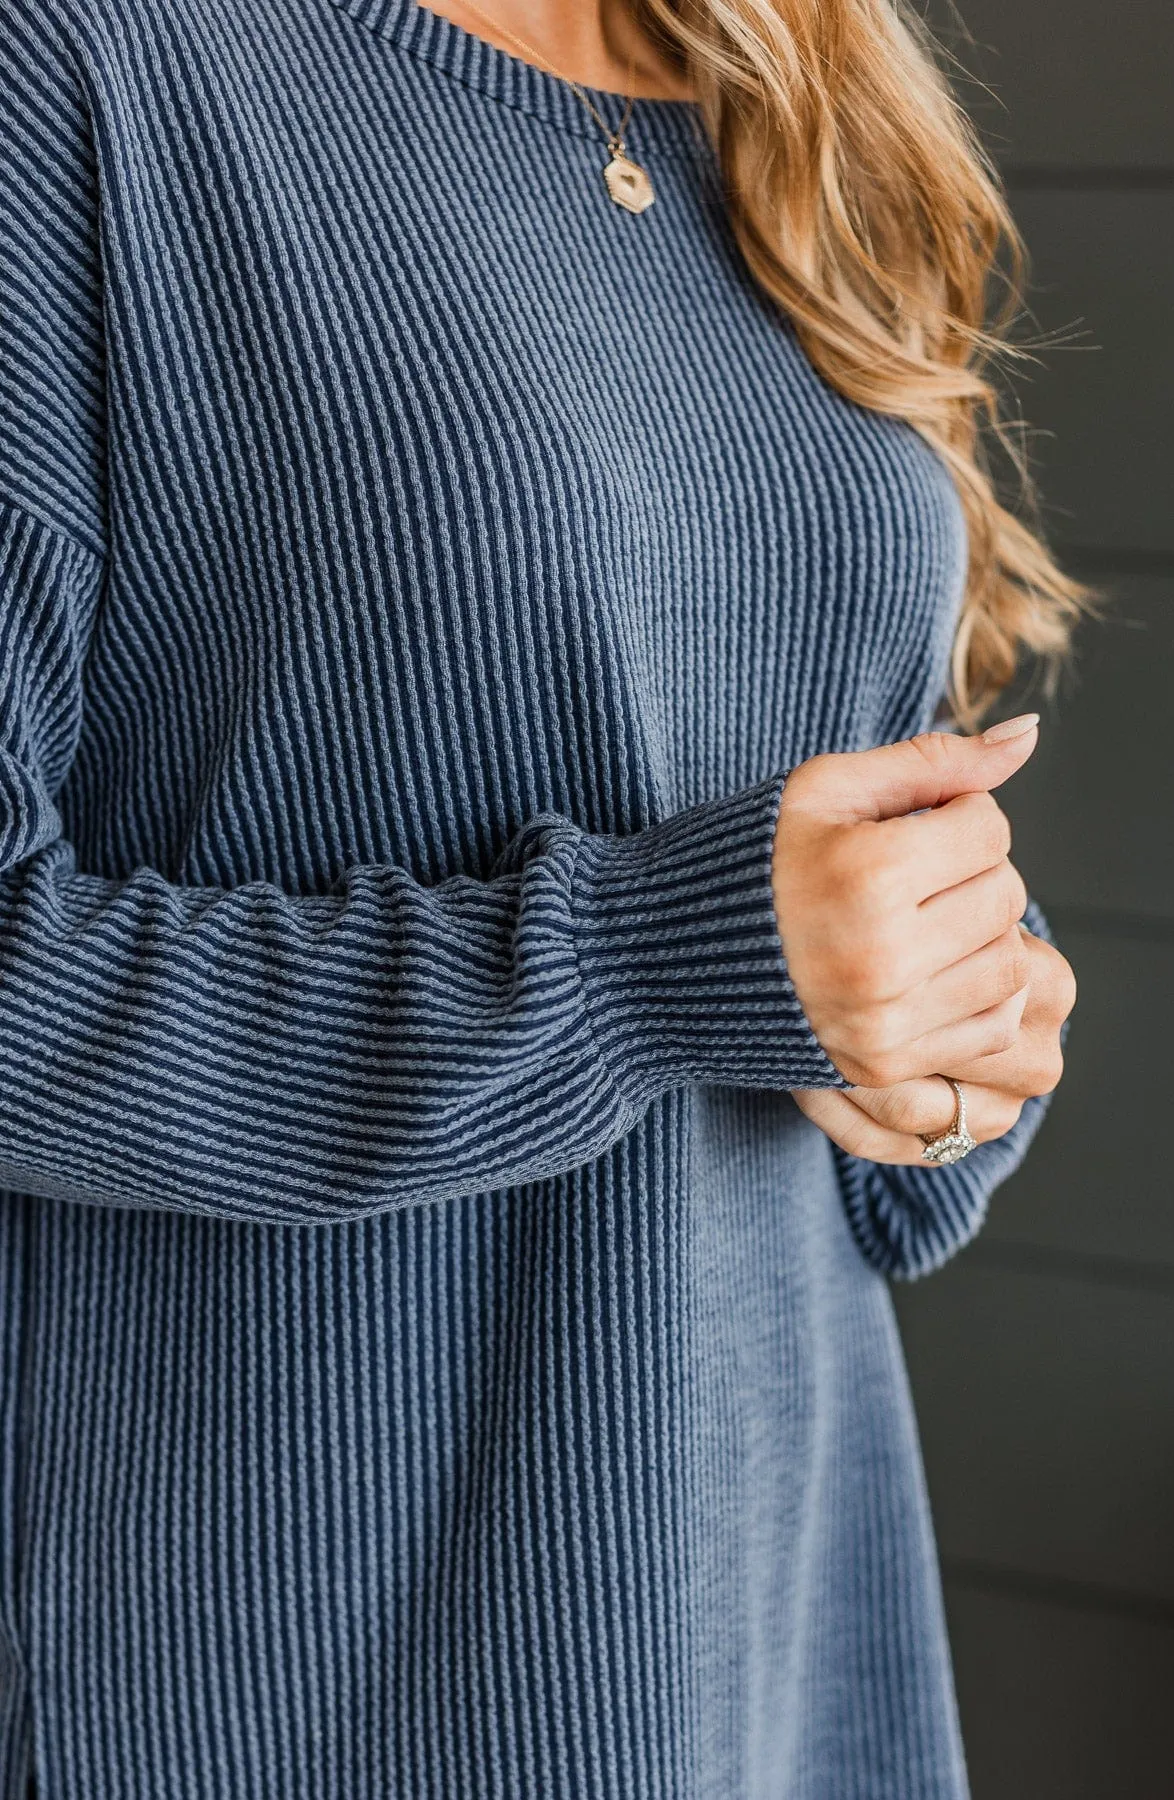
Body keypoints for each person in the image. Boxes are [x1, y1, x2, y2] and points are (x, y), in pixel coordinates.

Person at [0, 0, 1080, 1794]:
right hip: (306, 1677)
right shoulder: (91, 70)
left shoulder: (793, 86)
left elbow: (829, 830)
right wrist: (648, 964)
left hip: (784, 1645)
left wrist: (963, 1013)